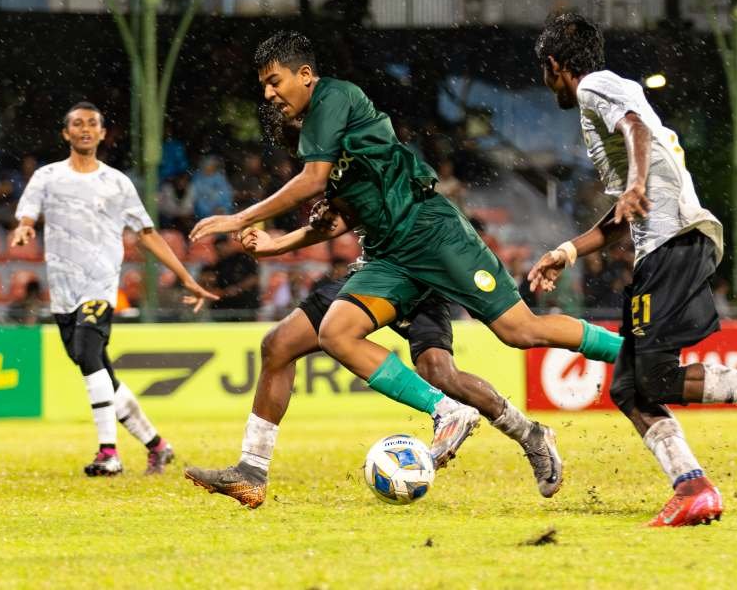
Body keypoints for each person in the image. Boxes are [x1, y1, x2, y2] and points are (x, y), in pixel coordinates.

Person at [190, 32, 621, 467]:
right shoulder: (334, 154)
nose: (269, 95)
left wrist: (241, 219)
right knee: (336, 338)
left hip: (430, 235)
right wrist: (275, 245)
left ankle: (631, 353)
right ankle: (450, 415)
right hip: (389, 256)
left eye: (274, 82)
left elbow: (313, 181)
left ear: (304, 75)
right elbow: (339, 217)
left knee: (519, 331)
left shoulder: (334, 99)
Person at [526, 12, 737, 528]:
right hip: (666, 246)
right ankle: (693, 488)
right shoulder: (608, 99)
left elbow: (634, 130)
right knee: (631, 387)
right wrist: (566, 251)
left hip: (672, 243)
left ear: (554, 65)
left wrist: (635, 184)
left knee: (654, 379)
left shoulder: (594, 88)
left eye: (544, 73)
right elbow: (623, 214)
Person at [185, 167, 562, 508]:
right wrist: (289, 234)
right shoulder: (335, 160)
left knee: (438, 373)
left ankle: (508, 427)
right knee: (279, 345)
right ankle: (252, 470)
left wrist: (251, 219)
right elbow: (338, 215)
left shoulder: (354, 148)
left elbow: (330, 197)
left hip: (419, 272)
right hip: (374, 272)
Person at [11, 101, 219, 477]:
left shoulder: (117, 183)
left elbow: (147, 233)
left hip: (100, 284)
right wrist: (25, 227)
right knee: (97, 369)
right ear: (66, 133)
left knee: (88, 353)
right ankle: (157, 446)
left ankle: (109, 453)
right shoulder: (48, 176)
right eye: (78, 123)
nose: (85, 129)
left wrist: (186, 276)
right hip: (63, 291)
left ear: (103, 133)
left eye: (92, 123)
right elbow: (28, 212)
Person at [209, 235, 261, 321]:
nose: (221, 250)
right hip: (224, 305)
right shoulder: (218, 264)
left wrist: (237, 288)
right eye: (218, 248)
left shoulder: (244, 258)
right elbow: (213, 284)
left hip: (246, 303)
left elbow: (254, 278)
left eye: (222, 246)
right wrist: (224, 292)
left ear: (229, 245)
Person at [192, 155, 235, 219]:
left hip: (222, 213)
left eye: (212, 166)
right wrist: (209, 211)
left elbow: (227, 194)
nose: (210, 168)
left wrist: (224, 208)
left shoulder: (219, 177)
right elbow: (197, 200)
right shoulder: (198, 179)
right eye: (208, 166)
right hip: (205, 215)